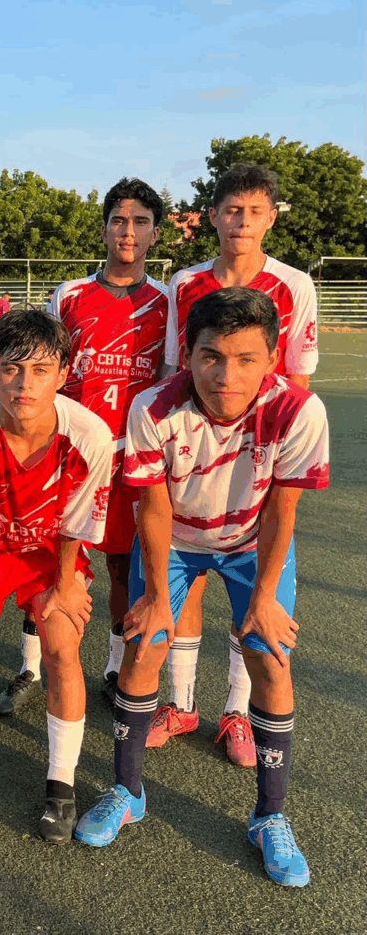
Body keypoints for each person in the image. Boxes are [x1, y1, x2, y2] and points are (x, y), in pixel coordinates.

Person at [74, 288, 329, 888]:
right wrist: (158, 597)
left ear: (272, 358)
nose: (226, 375)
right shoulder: (153, 406)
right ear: (187, 354)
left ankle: (270, 816)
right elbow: (153, 508)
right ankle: (127, 792)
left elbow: (282, 511)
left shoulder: (299, 410)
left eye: (246, 359)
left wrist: (263, 600)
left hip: (252, 540)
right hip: (178, 537)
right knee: (145, 643)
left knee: (270, 654)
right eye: (211, 356)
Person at [152, 163, 319, 767]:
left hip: (259, 455)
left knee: (250, 583)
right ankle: (181, 703)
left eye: (254, 212)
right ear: (214, 216)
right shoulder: (185, 282)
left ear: (270, 218)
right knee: (190, 573)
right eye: (231, 210)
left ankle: (237, 712)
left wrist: (276, 458)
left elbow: (297, 379)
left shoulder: (295, 284)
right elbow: (176, 370)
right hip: (195, 451)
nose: (242, 222)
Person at [0, 309, 113, 841]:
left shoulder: (90, 435)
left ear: (64, 374)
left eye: (40, 370)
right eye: (12, 369)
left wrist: (64, 585)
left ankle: (62, 784)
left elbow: (78, 522)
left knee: (62, 647)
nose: (24, 384)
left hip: (50, 553)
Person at [0, 179, 167, 718]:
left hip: (130, 457)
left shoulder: (167, 302)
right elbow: (42, 364)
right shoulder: (70, 295)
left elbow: (167, 383)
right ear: (105, 228)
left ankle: (113, 669)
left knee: (121, 567)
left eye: (140, 222)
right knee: (47, 562)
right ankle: (30, 666)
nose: (128, 232)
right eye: (119, 220)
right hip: (66, 453)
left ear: (155, 233)